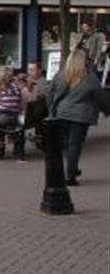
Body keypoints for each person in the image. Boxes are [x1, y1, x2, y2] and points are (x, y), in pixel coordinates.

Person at [48, 49, 102, 187]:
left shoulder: (60, 75)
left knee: (67, 144)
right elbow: (99, 95)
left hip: (62, 113)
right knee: (75, 144)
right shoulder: (90, 77)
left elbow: (51, 92)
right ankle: (71, 173)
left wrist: (52, 110)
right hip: (81, 115)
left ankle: (71, 168)